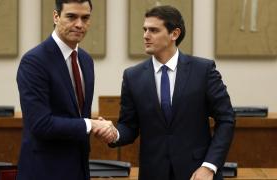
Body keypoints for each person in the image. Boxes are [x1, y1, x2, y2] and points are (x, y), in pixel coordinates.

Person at [106, 5, 235, 180]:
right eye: (144, 29)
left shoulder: (203, 70)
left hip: (198, 172)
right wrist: (113, 134)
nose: (145, 35)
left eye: (153, 30)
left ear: (174, 34)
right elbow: (129, 126)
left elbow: (226, 118)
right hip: (153, 172)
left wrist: (209, 166)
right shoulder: (132, 76)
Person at [16, 0, 115, 179]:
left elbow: (77, 115)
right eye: (71, 17)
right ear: (56, 16)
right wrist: (91, 124)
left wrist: (98, 126)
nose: (79, 24)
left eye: (85, 18)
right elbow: (40, 124)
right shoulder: (34, 61)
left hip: (79, 169)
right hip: (44, 172)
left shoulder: (86, 60)